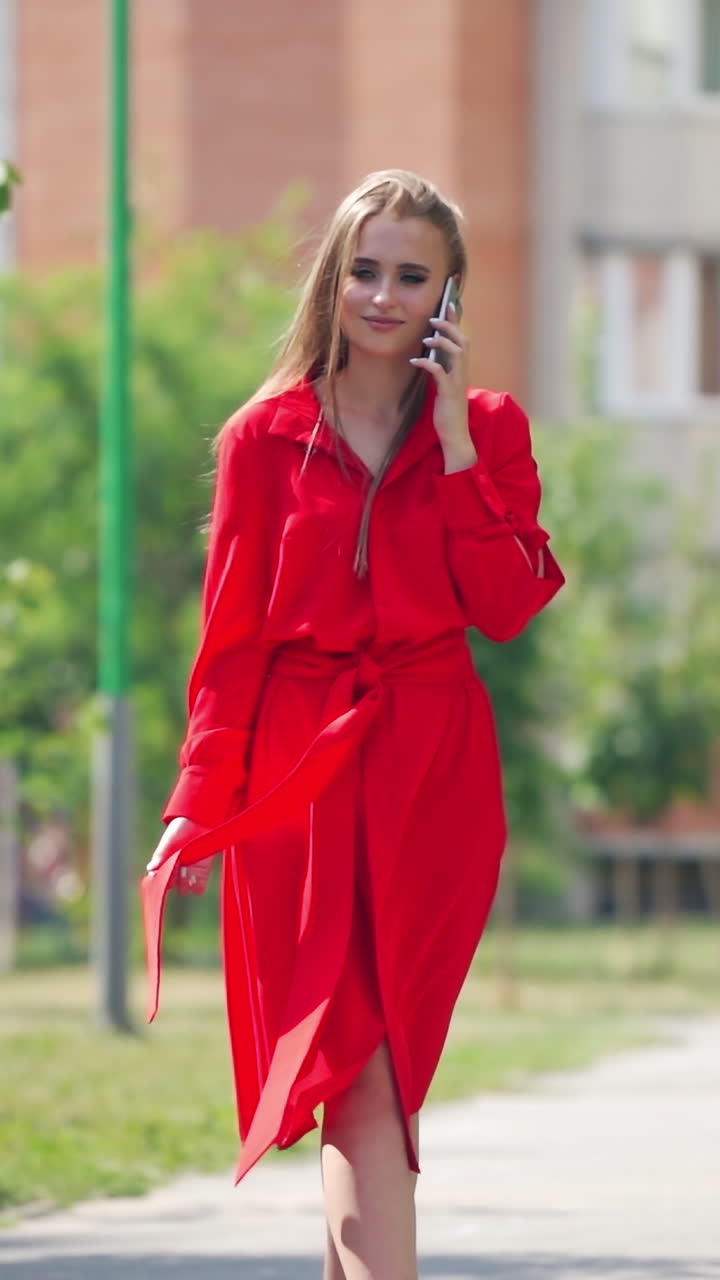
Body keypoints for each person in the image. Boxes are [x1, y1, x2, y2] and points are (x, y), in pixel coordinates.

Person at [143, 168, 564, 1280]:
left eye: (412, 275)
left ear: (449, 298)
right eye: (364, 269)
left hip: (436, 772)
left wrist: (459, 450)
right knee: (356, 1067)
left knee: (384, 1071)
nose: (383, 295)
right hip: (301, 775)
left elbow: (511, 607)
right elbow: (229, 650)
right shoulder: (263, 439)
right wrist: (198, 805)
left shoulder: (490, 431)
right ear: (333, 279)